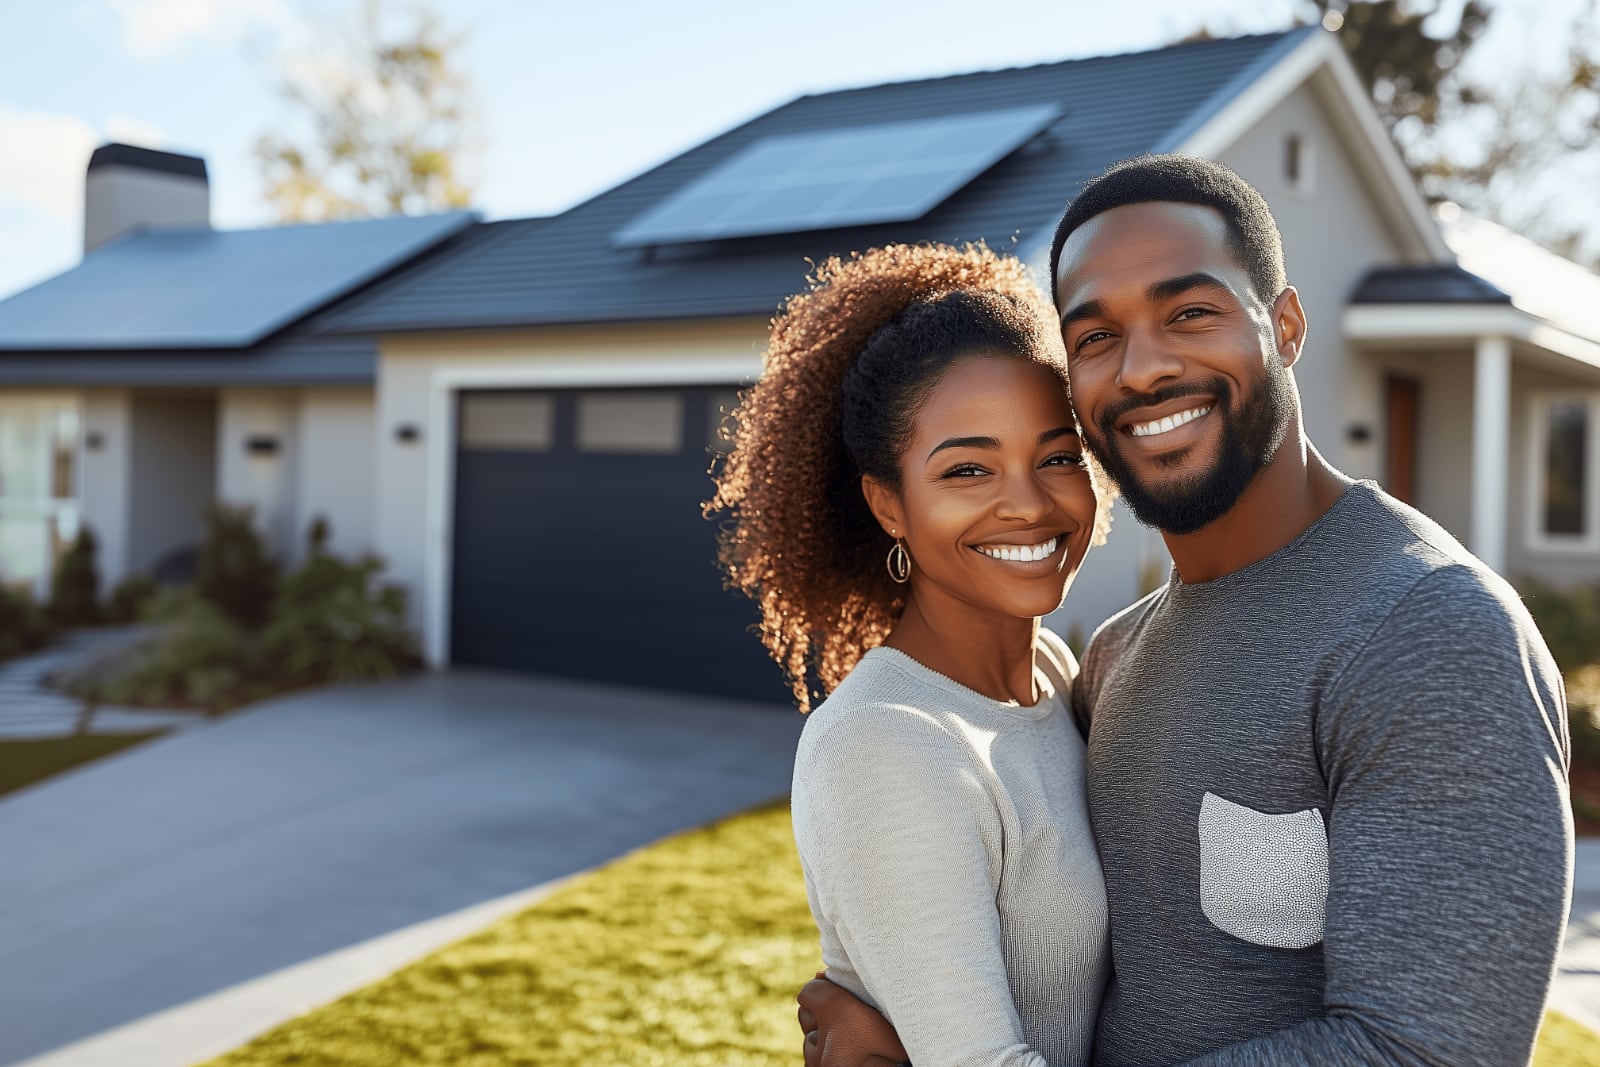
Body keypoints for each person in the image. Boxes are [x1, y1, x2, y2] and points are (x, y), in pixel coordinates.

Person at [796, 155, 1573, 1066]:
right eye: (1094, 337)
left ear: (1283, 325)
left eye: (1189, 312)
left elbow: (1427, 1052)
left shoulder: (1429, 632)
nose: (1145, 368)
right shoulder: (1114, 661)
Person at [706, 242, 1116, 1067]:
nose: (1030, 503)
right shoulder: (885, 744)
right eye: (967, 468)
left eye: (1058, 456)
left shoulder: (1053, 678)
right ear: (889, 502)